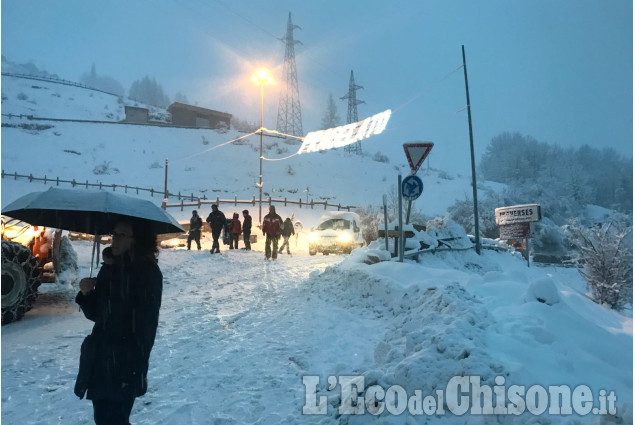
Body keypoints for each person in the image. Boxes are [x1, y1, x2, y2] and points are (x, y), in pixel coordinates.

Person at [74, 218, 162, 425]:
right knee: (104, 418)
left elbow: (146, 327)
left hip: (123, 361)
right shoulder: (110, 268)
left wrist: (133, 371)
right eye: (113, 234)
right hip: (101, 357)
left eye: (121, 235)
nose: (114, 239)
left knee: (114, 420)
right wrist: (87, 295)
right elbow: (98, 315)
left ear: (136, 240)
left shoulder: (146, 272)